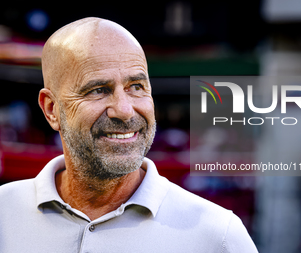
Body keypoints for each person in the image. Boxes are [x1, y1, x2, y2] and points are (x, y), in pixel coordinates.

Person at [0, 17, 258, 252]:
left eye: (136, 86)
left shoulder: (218, 236)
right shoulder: (4, 214)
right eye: (98, 90)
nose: (124, 111)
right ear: (51, 110)